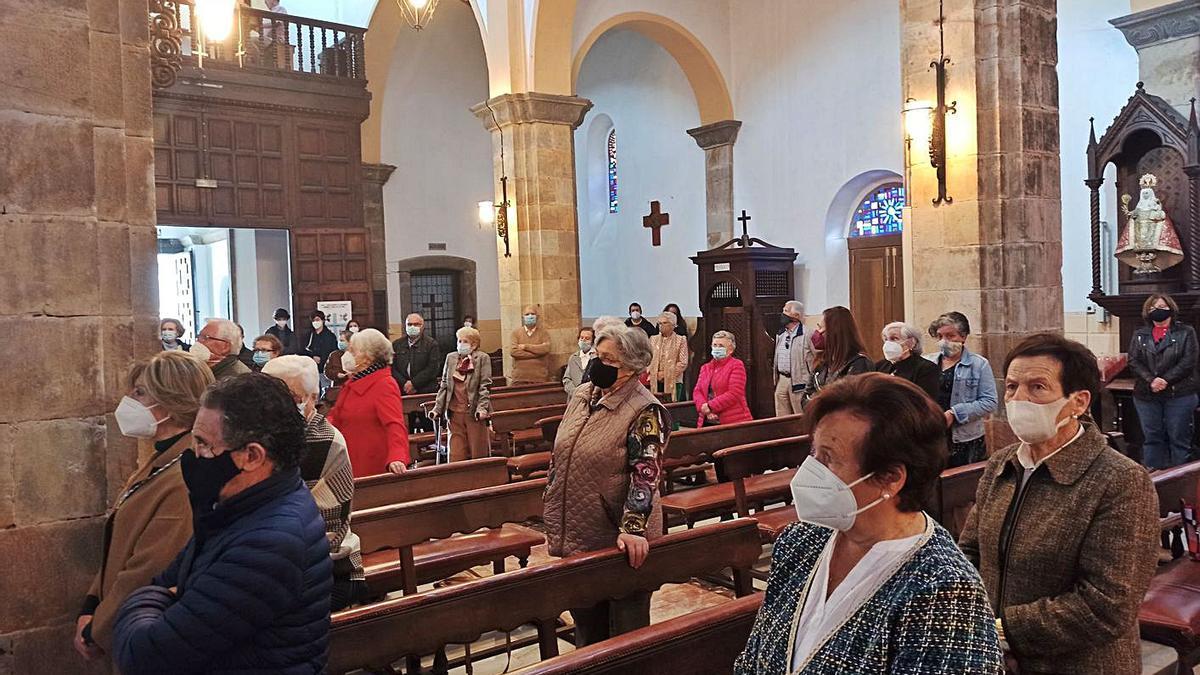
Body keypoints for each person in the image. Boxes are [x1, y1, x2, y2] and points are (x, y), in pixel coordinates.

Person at [735, 374, 1002, 673]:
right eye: (813, 453)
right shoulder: (801, 541)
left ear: (890, 478)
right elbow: (755, 655)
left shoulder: (944, 591)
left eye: (829, 459)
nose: (809, 471)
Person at [959, 333, 1159, 674]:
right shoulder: (1002, 464)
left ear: (1078, 402)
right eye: (1011, 387)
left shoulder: (1119, 480)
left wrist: (1002, 628)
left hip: (1078, 663)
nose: (1018, 399)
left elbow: (1106, 605)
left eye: (1037, 387)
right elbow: (971, 551)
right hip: (995, 658)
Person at [112, 374, 332, 674]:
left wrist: (147, 601)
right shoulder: (244, 507)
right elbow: (167, 581)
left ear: (252, 456)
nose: (195, 456)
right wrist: (167, 595)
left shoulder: (267, 543)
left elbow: (144, 656)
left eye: (204, 444)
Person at [73, 352, 213, 663]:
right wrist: (91, 603)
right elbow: (119, 540)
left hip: (146, 632)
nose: (128, 401)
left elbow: (149, 568)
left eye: (139, 393)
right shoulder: (161, 459)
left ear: (173, 401)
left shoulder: (185, 475)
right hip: (120, 617)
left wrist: (98, 628)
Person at [543, 325, 670, 646]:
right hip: (577, 530)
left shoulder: (645, 409)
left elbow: (646, 473)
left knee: (626, 637)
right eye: (597, 356)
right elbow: (563, 452)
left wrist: (633, 528)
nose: (596, 364)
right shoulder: (583, 395)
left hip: (619, 538)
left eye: (607, 359)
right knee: (587, 628)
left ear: (631, 366)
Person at [263, 356, 366, 611]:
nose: (275, 405)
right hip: (278, 563)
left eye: (290, 397)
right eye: (268, 395)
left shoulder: (322, 441)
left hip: (330, 570)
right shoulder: (268, 434)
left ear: (312, 397)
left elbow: (324, 531)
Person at [1127, 293, 1199, 469]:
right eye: (1152, 308)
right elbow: (1133, 360)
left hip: (1179, 393)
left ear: (1170, 309)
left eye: (1161, 307)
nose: (1156, 311)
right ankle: (1155, 479)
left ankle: (1180, 480)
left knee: (1179, 438)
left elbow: (1189, 361)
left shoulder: (1186, 332)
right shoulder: (1140, 334)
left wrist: (1165, 380)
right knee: (1152, 438)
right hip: (1147, 394)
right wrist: (1151, 380)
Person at [328, 328, 410, 477]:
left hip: (370, 463)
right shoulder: (354, 381)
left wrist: (397, 457)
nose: (348, 355)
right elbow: (336, 416)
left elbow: (395, 424)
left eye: (353, 351)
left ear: (368, 357)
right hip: (348, 459)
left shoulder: (384, 384)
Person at [929, 312, 998, 467]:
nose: (944, 341)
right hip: (933, 436)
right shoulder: (928, 362)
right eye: (939, 336)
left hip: (965, 439)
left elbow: (990, 402)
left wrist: (955, 413)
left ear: (963, 336)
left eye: (950, 336)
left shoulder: (979, 364)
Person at [431, 326, 493, 462]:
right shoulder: (451, 358)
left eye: (465, 341)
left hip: (473, 412)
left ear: (474, 344)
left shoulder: (482, 358)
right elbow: (444, 385)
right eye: (459, 341)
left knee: (478, 453)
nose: (460, 344)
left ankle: (480, 481)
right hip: (454, 413)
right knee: (455, 454)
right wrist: (437, 408)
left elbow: (485, 386)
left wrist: (482, 408)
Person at [805, 306, 872, 404]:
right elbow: (806, 395)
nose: (818, 332)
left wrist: (819, 403)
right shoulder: (822, 361)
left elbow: (851, 401)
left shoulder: (859, 363)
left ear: (834, 331)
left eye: (820, 327)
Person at [693, 331, 753, 427]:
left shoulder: (736, 365)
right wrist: (704, 408)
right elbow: (698, 391)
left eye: (721, 346)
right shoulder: (705, 367)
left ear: (730, 350)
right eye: (715, 345)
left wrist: (710, 406)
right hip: (706, 420)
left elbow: (734, 393)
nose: (717, 348)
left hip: (733, 421)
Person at [875, 321, 938, 400]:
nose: (888, 344)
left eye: (894, 338)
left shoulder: (926, 368)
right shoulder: (879, 366)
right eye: (886, 339)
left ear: (911, 342)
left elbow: (925, 401)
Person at [773, 300, 814, 416]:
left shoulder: (808, 334)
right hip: (782, 379)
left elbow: (818, 357)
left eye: (786, 311)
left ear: (796, 316)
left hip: (799, 380)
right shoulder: (781, 334)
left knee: (800, 414)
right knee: (781, 416)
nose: (782, 314)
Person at [649, 313, 688, 401]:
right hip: (655, 379)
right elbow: (648, 358)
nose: (661, 325)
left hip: (674, 380)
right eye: (659, 323)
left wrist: (665, 374)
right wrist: (655, 373)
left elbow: (683, 362)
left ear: (673, 325)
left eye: (664, 323)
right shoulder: (653, 339)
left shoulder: (681, 340)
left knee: (671, 408)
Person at [510, 304, 552, 384]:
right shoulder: (516, 333)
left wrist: (526, 347)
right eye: (527, 314)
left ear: (537, 317)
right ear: (523, 317)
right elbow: (513, 352)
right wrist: (538, 354)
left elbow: (546, 349)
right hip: (520, 378)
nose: (530, 316)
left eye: (532, 314)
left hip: (540, 378)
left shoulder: (544, 333)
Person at [563, 327, 595, 395]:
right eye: (581, 338)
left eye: (587, 338)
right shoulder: (573, 357)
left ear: (593, 341)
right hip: (574, 397)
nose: (583, 340)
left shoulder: (596, 358)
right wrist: (575, 392)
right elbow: (567, 379)